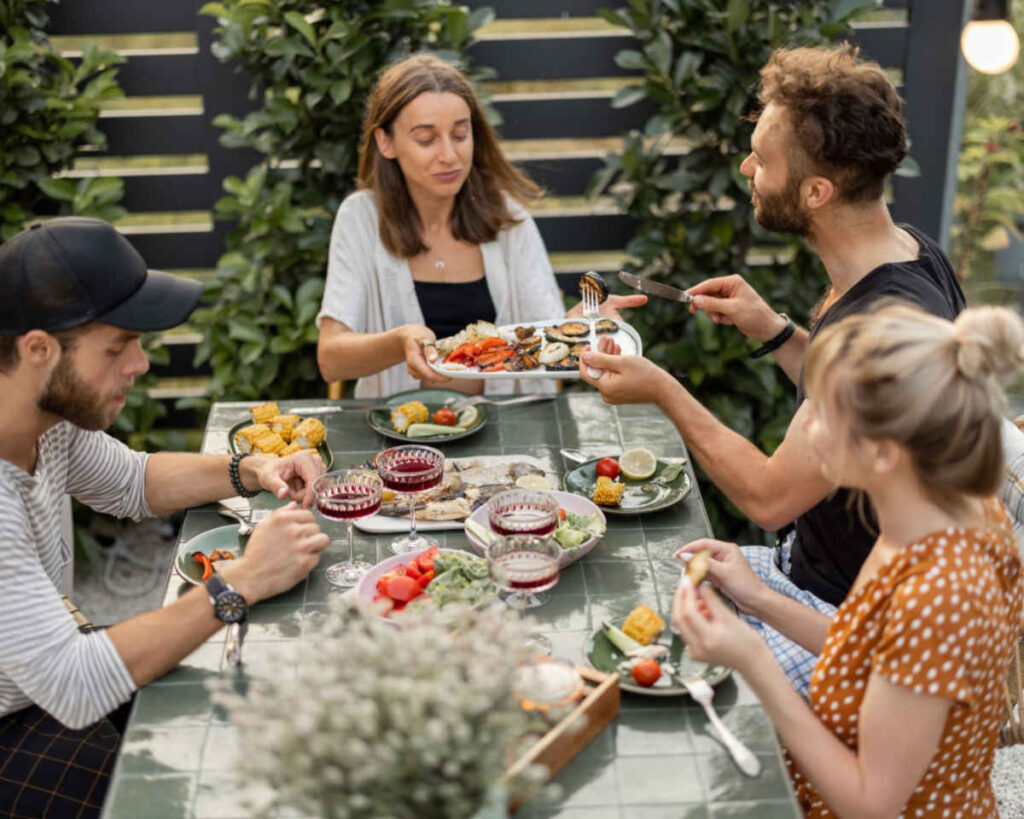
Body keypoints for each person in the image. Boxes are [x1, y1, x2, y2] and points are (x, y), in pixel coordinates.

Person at [579, 44, 971, 693]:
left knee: (636, 687)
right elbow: (857, 399)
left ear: (816, 190)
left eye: (762, 159)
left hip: (840, 618)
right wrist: (781, 332)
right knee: (621, 582)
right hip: (799, 567)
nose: (746, 167)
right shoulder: (910, 253)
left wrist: (663, 392)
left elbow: (769, 494)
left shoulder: (879, 328)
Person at [0, 217, 330, 818]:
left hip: (39, 677)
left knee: (236, 710)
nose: (142, 364)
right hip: (20, 718)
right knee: (181, 794)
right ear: (39, 350)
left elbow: (132, 482)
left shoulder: (45, 423)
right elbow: (75, 683)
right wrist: (242, 583)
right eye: (118, 346)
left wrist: (249, 469)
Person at [673, 302, 1024, 818]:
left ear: (883, 452)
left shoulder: (943, 592)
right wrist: (760, 599)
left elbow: (870, 804)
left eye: (821, 412)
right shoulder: (924, 513)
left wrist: (752, 660)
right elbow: (870, 649)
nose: (804, 425)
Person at [316, 53, 644, 398]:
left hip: (510, 434)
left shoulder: (508, 221)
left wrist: (584, 326)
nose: (449, 155)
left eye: (460, 134)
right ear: (386, 142)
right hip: (400, 440)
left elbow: (547, 341)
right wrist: (400, 342)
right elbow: (331, 360)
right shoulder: (361, 219)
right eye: (427, 139)